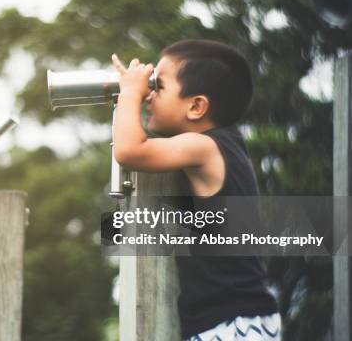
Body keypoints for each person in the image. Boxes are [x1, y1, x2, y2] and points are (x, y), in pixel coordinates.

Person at [111, 39, 281, 340]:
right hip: (237, 320)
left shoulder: (203, 147)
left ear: (196, 106)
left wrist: (128, 93)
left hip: (234, 324)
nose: (148, 95)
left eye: (158, 87)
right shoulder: (224, 144)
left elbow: (128, 150)